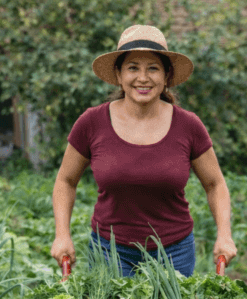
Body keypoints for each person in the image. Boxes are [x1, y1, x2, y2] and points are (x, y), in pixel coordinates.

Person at [50, 24, 237, 278]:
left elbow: (215, 184)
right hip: (110, 250)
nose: (143, 78)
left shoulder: (188, 125)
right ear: (118, 74)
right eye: (133, 67)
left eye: (153, 68)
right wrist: (62, 235)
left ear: (166, 76)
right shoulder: (92, 122)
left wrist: (224, 235)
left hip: (174, 252)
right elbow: (65, 180)